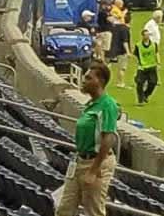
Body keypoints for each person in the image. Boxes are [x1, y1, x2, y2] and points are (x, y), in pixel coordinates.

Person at [55, 60, 118, 216]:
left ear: (100, 81)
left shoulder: (108, 105)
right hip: (79, 161)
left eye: (89, 78)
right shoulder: (91, 104)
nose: (84, 80)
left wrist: (93, 170)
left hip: (96, 164)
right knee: (64, 209)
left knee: (93, 211)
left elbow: (108, 138)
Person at [134, 21, 161, 104]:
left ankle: (146, 95)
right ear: (142, 36)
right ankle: (140, 100)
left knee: (153, 83)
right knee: (139, 83)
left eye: (148, 35)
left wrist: (158, 63)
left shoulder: (154, 44)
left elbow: (156, 53)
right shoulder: (138, 45)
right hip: (142, 67)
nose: (147, 36)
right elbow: (136, 55)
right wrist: (138, 64)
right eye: (146, 35)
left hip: (152, 66)